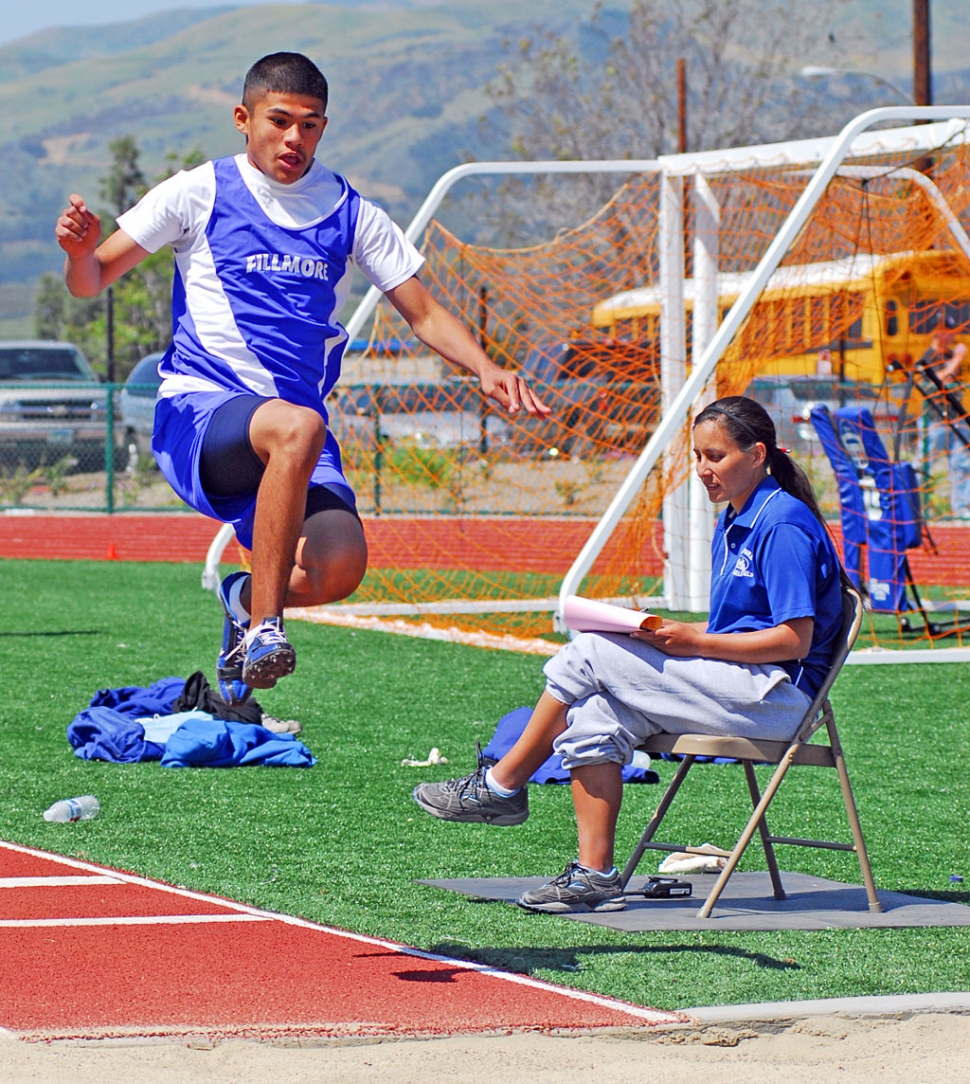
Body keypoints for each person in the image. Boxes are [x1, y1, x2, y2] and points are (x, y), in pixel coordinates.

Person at [55, 51, 548, 703]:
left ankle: (243, 600)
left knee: (339, 565)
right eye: (280, 121)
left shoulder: (350, 211)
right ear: (243, 118)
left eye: (310, 125)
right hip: (203, 417)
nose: (294, 139)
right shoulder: (196, 192)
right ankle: (265, 627)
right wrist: (79, 251)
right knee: (298, 425)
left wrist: (486, 368)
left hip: (296, 438)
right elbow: (91, 281)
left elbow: (422, 309)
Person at [413, 395, 846, 914]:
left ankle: (500, 785)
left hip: (779, 700)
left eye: (716, 457)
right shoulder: (736, 517)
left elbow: (794, 641)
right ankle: (594, 876)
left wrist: (693, 641)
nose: (704, 470)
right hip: (738, 683)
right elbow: (740, 630)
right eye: (699, 457)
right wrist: (667, 637)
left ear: (757, 455)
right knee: (596, 716)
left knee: (591, 651)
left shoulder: (783, 524)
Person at [917, 327, 970, 519]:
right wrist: (957, 359)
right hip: (934, 420)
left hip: (955, 419)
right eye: (950, 332)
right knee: (924, 465)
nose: (954, 336)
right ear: (939, 333)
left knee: (963, 463)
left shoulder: (950, 354)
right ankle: (918, 508)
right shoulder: (929, 356)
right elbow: (941, 379)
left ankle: (962, 508)